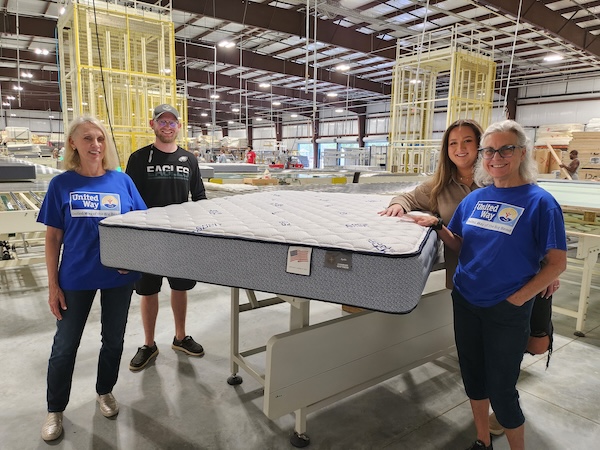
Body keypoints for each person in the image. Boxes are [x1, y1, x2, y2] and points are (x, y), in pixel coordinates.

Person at [379, 119, 560, 437]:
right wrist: (418, 216)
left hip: (509, 296)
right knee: (475, 372)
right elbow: (447, 231)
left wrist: (531, 286)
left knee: (506, 376)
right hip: (466, 292)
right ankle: (483, 434)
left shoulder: (522, 192)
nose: (461, 149)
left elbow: (550, 252)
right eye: (453, 143)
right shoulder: (452, 191)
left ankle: (505, 421)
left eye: (469, 142)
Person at [38, 116, 147, 441]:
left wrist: (134, 258)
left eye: (100, 138)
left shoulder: (122, 181)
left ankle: (105, 391)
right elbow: (52, 238)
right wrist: (53, 285)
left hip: (118, 277)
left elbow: (142, 225)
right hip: (74, 276)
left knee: (113, 340)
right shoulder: (61, 184)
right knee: (65, 346)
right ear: (73, 143)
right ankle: (55, 409)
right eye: (87, 138)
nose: (95, 145)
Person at [125, 103, 207, 372]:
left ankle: (180, 337)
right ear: (153, 125)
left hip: (180, 238)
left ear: (179, 127)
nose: (168, 126)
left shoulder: (189, 159)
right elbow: (129, 201)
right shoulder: (138, 159)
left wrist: (199, 229)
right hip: (148, 238)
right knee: (148, 291)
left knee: (180, 287)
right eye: (162, 122)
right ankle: (148, 344)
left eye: (172, 122)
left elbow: (199, 198)